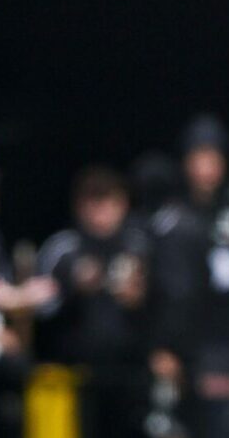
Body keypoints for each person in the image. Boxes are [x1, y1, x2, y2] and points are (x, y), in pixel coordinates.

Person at [147, 115, 229, 421]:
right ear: (185, 162)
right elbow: (163, 288)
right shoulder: (171, 214)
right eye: (198, 158)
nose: (206, 167)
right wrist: (163, 344)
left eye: (213, 158)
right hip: (189, 347)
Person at [36, 167, 152, 438]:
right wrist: (70, 288)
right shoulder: (63, 248)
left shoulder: (138, 245)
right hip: (74, 373)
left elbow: (164, 303)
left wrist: (138, 297)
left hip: (128, 370)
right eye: (94, 202)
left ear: (123, 204)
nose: (101, 211)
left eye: (109, 201)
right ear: (79, 205)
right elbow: (40, 310)